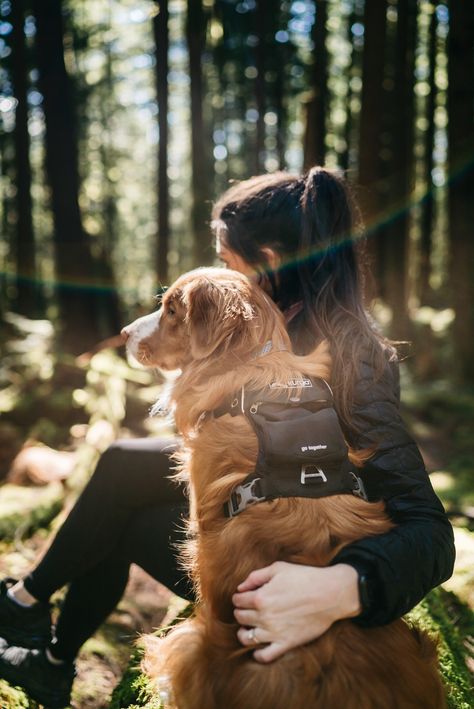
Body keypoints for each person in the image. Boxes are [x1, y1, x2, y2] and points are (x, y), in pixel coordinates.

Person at [0, 167, 455, 708]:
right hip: (261, 518)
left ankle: (39, 640)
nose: (222, 271)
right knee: (123, 464)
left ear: (267, 260)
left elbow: (430, 535)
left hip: (294, 579)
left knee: (124, 521)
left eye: (226, 259)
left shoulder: (356, 359)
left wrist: (344, 588)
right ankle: (30, 616)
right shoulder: (271, 320)